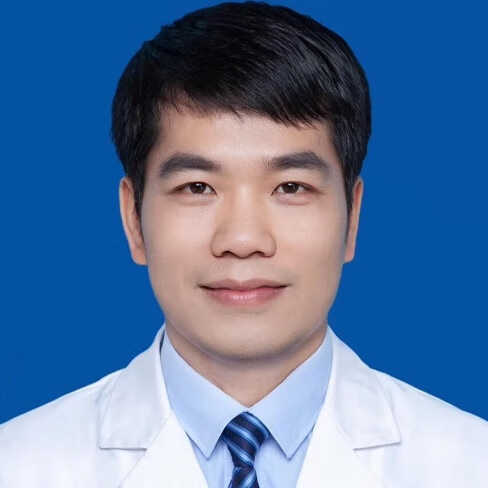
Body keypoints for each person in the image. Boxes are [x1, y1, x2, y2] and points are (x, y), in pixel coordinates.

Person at [1, 1, 486, 487]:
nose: (243, 240)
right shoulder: (19, 465)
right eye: (197, 187)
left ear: (352, 217)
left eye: (291, 187)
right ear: (133, 219)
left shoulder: (469, 463)